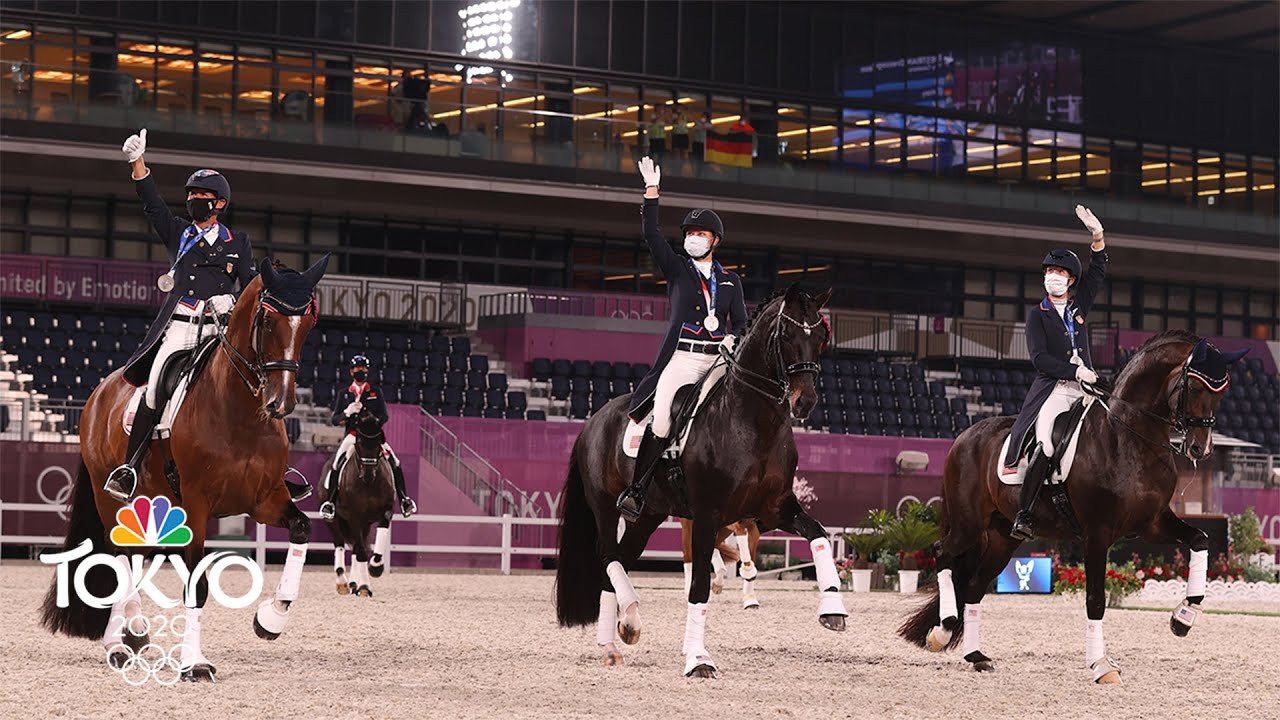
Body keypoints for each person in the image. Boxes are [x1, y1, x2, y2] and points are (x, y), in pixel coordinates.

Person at [104, 128, 256, 502]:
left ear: (219, 204)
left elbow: (250, 286)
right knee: (155, 386)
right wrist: (138, 163)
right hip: (181, 328)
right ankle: (129, 468)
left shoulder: (238, 243)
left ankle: (275, 469)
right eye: (191, 195)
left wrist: (232, 302)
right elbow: (153, 204)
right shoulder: (178, 233)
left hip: (219, 330)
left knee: (256, 384)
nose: (193, 201)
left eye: (201, 197)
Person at [615, 156, 748, 521]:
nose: (693, 238)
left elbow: (741, 322)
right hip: (683, 359)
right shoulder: (676, 269)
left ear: (715, 241)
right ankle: (637, 490)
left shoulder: (732, 281)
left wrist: (733, 339)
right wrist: (651, 193)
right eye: (690, 233)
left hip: (717, 360)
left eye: (701, 234)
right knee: (661, 420)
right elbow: (652, 235)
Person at [1005, 205, 1108, 541]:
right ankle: (1024, 513)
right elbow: (1040, 360)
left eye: (1060, 272)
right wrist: (1075, 372)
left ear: (1071, 280)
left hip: (1087, 389)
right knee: (1047, 444)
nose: (1053, 275)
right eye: (1050, 270)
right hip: (1055, 389)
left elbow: (1097, 273)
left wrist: (1097, 237)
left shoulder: (1078, 307)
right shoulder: (1037, 315)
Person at [320, 355, 417, 520]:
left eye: (364, 368)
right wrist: (347, 412)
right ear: (352, 371)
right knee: (337, 462)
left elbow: (384, 416)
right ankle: (331, 503)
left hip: (373, 436)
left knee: (395, 461)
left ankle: (404, 500)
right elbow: (335, 420)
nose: (361, 371)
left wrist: (371, 418)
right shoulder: (344, 394)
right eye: (358, 368)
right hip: (353, 435)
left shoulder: (375, 392)